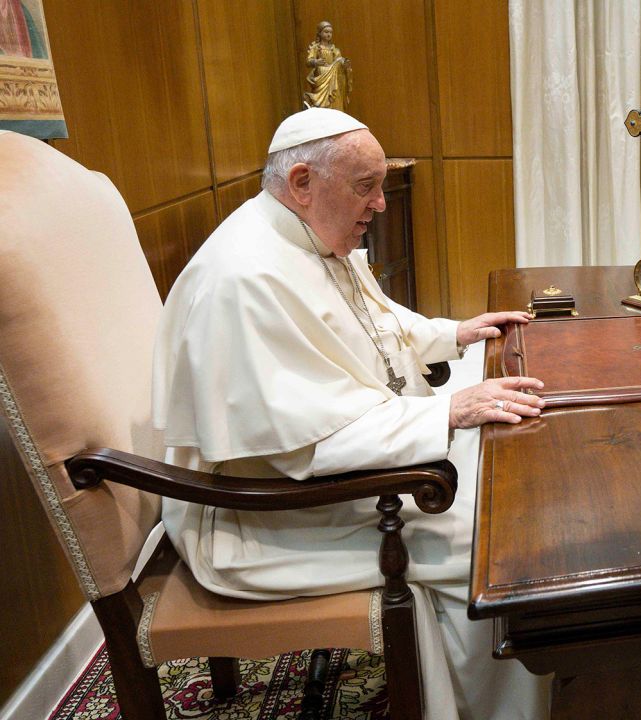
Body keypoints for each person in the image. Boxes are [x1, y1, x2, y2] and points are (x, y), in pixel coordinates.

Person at [152, 107, 549, 719]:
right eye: (367, 187)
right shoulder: (246, 279)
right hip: (258, 517)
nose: (382, 204)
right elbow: (303, 446)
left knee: (511, 471)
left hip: (333, 472)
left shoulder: (306, 234)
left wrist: (455, 334)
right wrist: (444, 414)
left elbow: (376, 323)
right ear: (303, 183)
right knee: (501, 542)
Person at [304, 20, 350, 110]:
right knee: (325, 69)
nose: (329, 34)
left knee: (338, 69)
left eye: (330, 32)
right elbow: (308, 61)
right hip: (322, 75)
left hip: (333, 75)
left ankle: (335, 105)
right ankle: (318, 101)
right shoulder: (316, 48)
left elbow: (339, 62)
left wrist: (344, 64)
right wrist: (316, 62)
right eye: (326, 32)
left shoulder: (334, 49)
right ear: (320, 33)